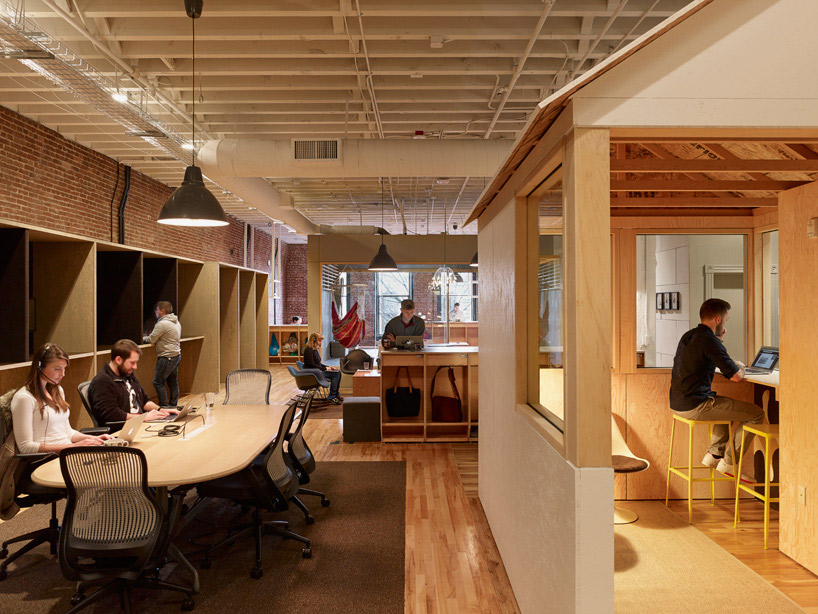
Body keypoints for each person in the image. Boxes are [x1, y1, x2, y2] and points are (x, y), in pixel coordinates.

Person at [669, 298, 764, 483]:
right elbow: (736, 377)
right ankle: (729, 462)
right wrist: (741, 368)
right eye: (726, 319)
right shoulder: (710, 341)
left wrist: (718, 341)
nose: (726, 324)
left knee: (726, 406)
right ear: (718, 319)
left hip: (678, 403)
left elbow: (708, 356)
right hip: (695, 406)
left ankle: (714, 454)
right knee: (756, 414)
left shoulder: (689, 335)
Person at [11, 343, 111, 453]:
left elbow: (67, 431)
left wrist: (94, 439)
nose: (63, 374)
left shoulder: (58, 391)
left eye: (64, 369)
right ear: (40, 367)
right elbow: (25, 447)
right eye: (57, 369)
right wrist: (75, 447)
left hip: (67, 452)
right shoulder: (24, 398)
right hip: (45, 458)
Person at [89, 339, 177, 425]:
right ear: (118, 360)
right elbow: (110, 415)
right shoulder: (103, 382)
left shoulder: (126, 373)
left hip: (140, 423)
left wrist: (161, 410)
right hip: (123, 428)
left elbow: (144, 400)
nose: (135, 367)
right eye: (132, 363)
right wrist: (143, 417)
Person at [144, 301, 181, 408]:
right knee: (172, 382)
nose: (155, 312)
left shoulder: (162, 324)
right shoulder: (176, 322)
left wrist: (140, 338)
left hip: (167, 356)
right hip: (176, 355)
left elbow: (152, 339)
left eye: (157, 310)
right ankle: (173, 405)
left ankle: (164, 406)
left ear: (162, 311)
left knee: (157, 382)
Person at [302, 332, 343, 404]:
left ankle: (335, 394)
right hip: (313, 374)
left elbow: (318, 364)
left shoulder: (314, 350)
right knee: (336, 374)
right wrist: (325, 369)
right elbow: (312, 365)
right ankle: (332, 396)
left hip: (317, 371)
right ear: (314, 340)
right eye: (319, 340)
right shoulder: (309, 350)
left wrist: (327, 367)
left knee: (338, 372)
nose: (321, 342)